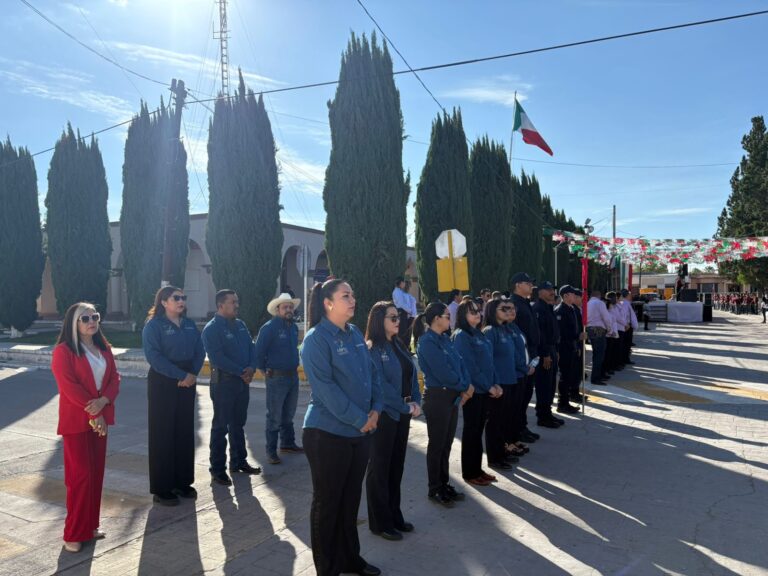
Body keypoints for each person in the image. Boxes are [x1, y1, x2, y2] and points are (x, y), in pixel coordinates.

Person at [301, 279, 383, 576]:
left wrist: (376, 409)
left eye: (353, 294)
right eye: (345, 295)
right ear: (328, 303)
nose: (353, 300)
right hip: (327, 434)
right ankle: (327, 568)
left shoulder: (355, 335)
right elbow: (325, 389)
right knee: (328, 503)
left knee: (350, 501)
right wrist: (361, 419)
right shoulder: (316, 339)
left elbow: (372, 374)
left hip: (360, 433)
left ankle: (350, 559)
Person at [51, 303, 120, 553]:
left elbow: (114, 379)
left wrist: (104, 401)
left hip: (99, 418)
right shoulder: (63, 351)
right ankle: (73, 533)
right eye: (85, 318)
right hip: (77, 421)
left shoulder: (104, 348)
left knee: (95, 474)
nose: (91, 321)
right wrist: (97, 411)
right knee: (79, 477)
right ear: (73, 323)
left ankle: (90, 526)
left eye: (95, 316)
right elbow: (68, 387)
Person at [142, 286, 206, 506]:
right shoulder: (154, 326)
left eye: (183, 297)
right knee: (163, 432)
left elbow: (200, 350)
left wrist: (192, 374)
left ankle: (182, 482)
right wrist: (180, 374)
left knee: (184, 431)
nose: (181, 301)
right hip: (163, 380)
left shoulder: (189, 325)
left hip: (187, 379)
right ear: (163, 302)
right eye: (176, 298)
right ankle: (162, 488)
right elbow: (154, 357)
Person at [365, 301, 421, 541]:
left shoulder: (398, 344)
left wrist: (416, 401)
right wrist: (404, 406)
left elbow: (411, 375)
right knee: (380, 469)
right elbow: (380, 387)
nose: (398, 321)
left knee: (396, 467)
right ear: (379, 320)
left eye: (398, 317)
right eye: (392, 318)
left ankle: (394, 515)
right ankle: (380, 522)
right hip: (386, 415)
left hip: (403, 414)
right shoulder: (373, 349)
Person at [202, 290, 261, 487]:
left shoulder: (241, 325)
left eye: (237, 301)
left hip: (241, 383)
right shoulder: (211, 329)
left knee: (238, 424)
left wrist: (252, 367)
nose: (237, 305)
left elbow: (252, 349)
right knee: (220, 427)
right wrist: (241, 371)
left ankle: (238, 461)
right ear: (221, 305)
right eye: (233, 302)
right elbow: (217, 358)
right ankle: (217, 470)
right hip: (224, 383)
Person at [416, 302, 472, 506]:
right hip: (438, 398)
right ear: (436, 319)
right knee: (437, 445)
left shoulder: (445, 339)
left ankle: (444, 482)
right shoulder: (427, 342)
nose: (450, 319)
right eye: (447, 315)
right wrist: (463, 387)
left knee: (446, 444)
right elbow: (443, 372)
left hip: (452, 396)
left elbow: (460, 363)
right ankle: (435, 487)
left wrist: (466, 384)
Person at [452, 299, 500, 486]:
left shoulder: (478, 334)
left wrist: (495, 383)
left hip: (486, 389)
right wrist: (488, 386)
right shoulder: (462, 336)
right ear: (463, 315)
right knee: (472, 431)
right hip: (474, 391)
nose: (478, 315)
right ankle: (470, 472)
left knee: (478, 429)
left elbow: (489, 361)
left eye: (479, 311)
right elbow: (469, 367)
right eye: (472, 312)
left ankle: (478, 468)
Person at [254, 292, 303, 465]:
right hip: (277, 378)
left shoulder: (293, 327)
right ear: (277, 309)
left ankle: (288, 444)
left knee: (288, 414)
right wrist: (263, 369)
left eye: (291, 307)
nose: (289, 309)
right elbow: (258, 352)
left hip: (292, 376)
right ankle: (271, 451)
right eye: (285, 307)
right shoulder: (269, 328)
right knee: (274, 416)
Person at [482, 299, 527, 472]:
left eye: (510, 308)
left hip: (510, 380)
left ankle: (502, 451)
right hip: (499, 382)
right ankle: (494, 457)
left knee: (504, 419)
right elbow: (487, 359)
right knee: (494, 421)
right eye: (504, 308)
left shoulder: (505, 328)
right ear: (493, 311)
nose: (509, 311)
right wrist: (493, 382)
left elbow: (514, 354)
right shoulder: (489, 331)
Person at [510, 272, 541, 444]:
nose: (531, 286)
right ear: (518, 285)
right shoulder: (513, 304)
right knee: (519, 398)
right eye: (528, 283)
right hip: (522, 357)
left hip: (531, 354)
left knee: (527, 394)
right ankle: (517, 429)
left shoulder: (525, 303)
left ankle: (522, 426)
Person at [532, 281, 563, 429]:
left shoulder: (548, 307)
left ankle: (548, 413)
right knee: (544, 385)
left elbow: (553, 332)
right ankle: (542, 416)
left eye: (552, 290)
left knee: (551, 385)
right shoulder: (538, 308)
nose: (552, 292)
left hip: (551, 349)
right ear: (539, 292)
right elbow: (540, 334)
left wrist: (555, 351)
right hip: (544, 351)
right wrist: (545, 354)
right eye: (548, 290)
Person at [555, 286, 581, 414]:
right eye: (572, 294)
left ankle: (566, 401)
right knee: (564, 377)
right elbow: (561, 333)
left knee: (569, 375)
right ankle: (562, 404)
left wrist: (577, 345)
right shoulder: (560, 311)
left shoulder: (571, 309)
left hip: (572, 347)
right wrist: (577, 336)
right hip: (564, 348)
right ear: (565, 296)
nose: (575, 297)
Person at [587, 290, 613, 385]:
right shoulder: (600, 303)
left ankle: (598, 375)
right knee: (599, 355)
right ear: (599, 296)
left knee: (596, 354)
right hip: (599, 330)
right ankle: (596, 378)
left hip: (590, 329)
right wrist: (610, 329)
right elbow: (606, 317)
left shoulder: (587, 303)